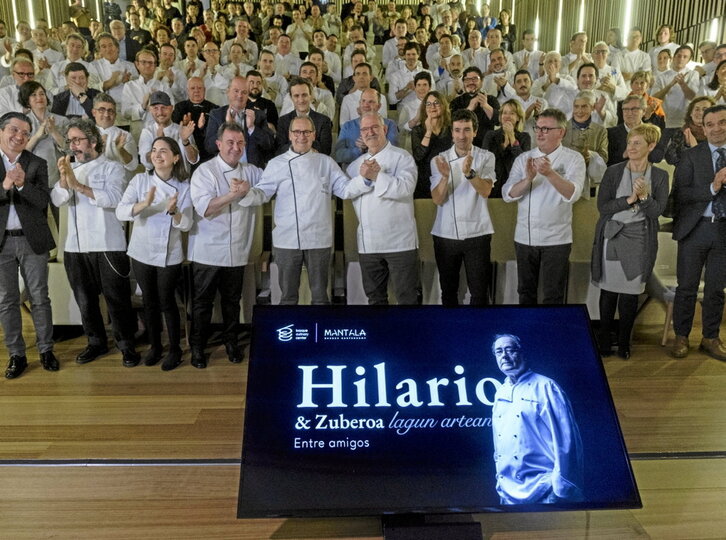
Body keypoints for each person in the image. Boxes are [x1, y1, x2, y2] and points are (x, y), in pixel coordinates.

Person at [51, 119, 140, 367]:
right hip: (75, 246)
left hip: (107, 243)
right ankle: (96, 342)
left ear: (93, 142)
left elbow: (114, 198)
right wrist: (63, 179)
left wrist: (78, 185)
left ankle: (126, 345)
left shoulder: (113, 168)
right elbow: (58, 200)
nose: (73, 146)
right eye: (70, 141)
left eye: (78, 140)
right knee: (85, 299)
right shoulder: (69, 168)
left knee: (116, 298)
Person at [241, 116, 351, 305]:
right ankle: (291, 334)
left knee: (320, 296)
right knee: (287, 297)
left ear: (314, 135)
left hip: (319, 238)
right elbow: (262, 193)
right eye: (297, 132)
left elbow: (346, 189)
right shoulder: (277, 164)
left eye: (307, 132)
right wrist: (244, 193)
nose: (302, 136)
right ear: (290, 135)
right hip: (287, 239)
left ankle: (318, 334)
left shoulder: (326, 162)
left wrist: (366, 180)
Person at [188, 122, 263, 368]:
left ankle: (231, 342)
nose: (235, 148)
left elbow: (268, 189)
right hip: (208, 250)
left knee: (232, 301)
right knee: (202, 303)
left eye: (240, 143)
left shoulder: (252, 171)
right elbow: (205, 208)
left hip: (237, 249)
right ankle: (197, 347)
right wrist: (234, 195)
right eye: (230, 142)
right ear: (218, 144)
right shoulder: (204, 171)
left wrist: (248, 191)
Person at [591, 124, 668, 359]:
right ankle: (604, 340)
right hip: (613, 236)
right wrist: (629, 199)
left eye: (637, 143)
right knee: (608, 291)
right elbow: (603, 207)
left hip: (639, 240)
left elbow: (656, 212)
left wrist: (644, 197)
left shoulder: (660, 175)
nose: (631, 147)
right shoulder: (613, 172)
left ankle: (624, 343)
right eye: (629, 142)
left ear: (651, 146)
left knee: (630, 294)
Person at [116, 137, 192, 371]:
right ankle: (155, 346)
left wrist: (175, 212)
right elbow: (121, 212)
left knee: (167, 301)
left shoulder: (185, 186)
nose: (158, 155)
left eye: (164, 151)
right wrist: (144, 204)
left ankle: (175, 350)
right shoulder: (140, 180)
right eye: (154, 151)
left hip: (169, 253)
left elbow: (187, 224)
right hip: (141, 251)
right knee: (149, 301)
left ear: (176, 157)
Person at [502, 108, 586, 305]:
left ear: (561, 132)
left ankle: (551, 335)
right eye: (537, 127)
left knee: (553, 295)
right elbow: (508, 194)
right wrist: (528, 180)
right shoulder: (524, 158)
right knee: (525, 292)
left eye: (546, 129)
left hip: (556, 239)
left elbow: (573, 194)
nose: (539, 133)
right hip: (524, 237)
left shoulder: (574, 159)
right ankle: (527, 334)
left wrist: (549, 173)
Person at [491, 334, 584, 505]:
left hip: (545, 489)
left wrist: (560, 487)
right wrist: (500, 482)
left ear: (523, 353)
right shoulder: (500, 392)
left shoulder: (546, 387)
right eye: (498, 352)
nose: (504, 355)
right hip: (508, 492)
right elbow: (499, 445)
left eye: (510, 350)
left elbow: (567, 440)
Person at [0, 112, 57, 379]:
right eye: (14, 130)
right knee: (7, 300)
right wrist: (5, 185)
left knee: (39, 297)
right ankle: (16, 355)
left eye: (25, 133)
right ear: (2, 131)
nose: (19, 137)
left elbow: (44, 200)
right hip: (1, 244)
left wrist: (22, 185)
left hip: (31, 239)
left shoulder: (36, 163)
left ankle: (46, 350)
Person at [670, 104, 726, 361]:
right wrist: (713, 187)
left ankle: (710, 338)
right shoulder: (692, 156)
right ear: (703, 128)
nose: (717, 128)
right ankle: (681, 336)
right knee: (687, 287)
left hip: (724, 232)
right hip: (695, 230)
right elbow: (681, 194)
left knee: (716, 289)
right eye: (711, 124)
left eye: (722, 122)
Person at [345, 112, 419, 305]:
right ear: (360, 134)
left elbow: (406, 188)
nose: (370, 132)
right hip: (369, 244)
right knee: (375, 300)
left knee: (407, 299)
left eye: (375, 127)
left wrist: (378, 176)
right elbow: (347, 191)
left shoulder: (403, 157)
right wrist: (365, 179)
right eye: (365, 129)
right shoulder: (354, 166)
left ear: (384, 129)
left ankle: (407, 336)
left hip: (400, 242)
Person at [430, 109, 496, 306]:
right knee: (448, 292)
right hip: (445, 233)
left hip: (478, 232)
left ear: (475, 132)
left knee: (479, 293)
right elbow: (437, 199)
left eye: (466, 130)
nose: (461, 136)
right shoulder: (439, 159)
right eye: (457, 130)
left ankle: (477, 334)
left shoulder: (486, 157)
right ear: (451, 132)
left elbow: (485, 191)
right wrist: (444, 177)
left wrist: (469, 173)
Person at [482, 99, 530, 198]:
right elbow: (485, 161)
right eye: (504, 113)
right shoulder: (490, 135)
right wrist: (503, 147)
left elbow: (524, 164)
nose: (507, 116)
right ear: (500, 117)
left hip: (514, 187)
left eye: (512, 113)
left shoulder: (525, 137)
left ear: (518, 117)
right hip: (493, 186)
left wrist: (512, 138)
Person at [411, 90, 453, 198]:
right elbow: (418, 157)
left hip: (448, 177)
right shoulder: (418, 131)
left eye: (436, 103)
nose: (432, 107)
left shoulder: (452, 129)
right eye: (428, 104)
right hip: (425, 179)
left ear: (443, 106)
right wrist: (428, 131)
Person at [664, 96, 716, 166]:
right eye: (697, 109)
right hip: (684, 175)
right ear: (691, 113)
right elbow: (670, 159)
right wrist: (687, 146)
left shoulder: (718, 133)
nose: (700, 113)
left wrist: (695, 148)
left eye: (705, 109)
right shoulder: (681, 132)